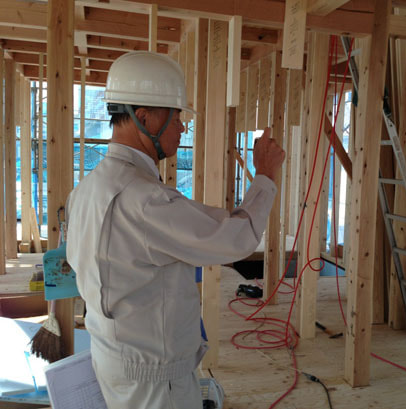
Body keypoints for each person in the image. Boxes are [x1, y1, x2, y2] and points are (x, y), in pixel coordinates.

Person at [66, 51, 285, 409]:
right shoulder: (146, 200)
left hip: (114, 358)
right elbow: (237, 238)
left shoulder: (87, 189)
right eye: (177, 117)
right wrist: (265, 175)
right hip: (156, 379)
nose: (183, 127)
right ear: (144, 118)